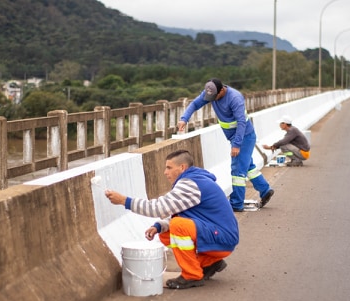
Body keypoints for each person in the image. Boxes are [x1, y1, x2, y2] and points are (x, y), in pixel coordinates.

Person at [105, 150, 239, 289]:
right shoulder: (194, 179)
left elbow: (158, 208)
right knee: (165, 233)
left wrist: (124, 201)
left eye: (169, 167)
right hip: (219, 235)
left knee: (177, 226)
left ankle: (192, 275)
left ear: (182, 168)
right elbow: (183, 214)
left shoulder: (190, 184)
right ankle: (209, 262)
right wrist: (159, 226)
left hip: (223, 239)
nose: (165, 172)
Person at [177, 78, 274, 212]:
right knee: (247, 166)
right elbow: (195, 104)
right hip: (234, 137)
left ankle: (236, 204)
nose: (213, 99)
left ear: (222, 90)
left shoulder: (235, 98)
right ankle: (265, 189)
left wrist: (237, 145)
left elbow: (241, 122)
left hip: (244, 136)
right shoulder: (210, 93)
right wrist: (184, 119)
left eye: (215, 96)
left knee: (237, 170)